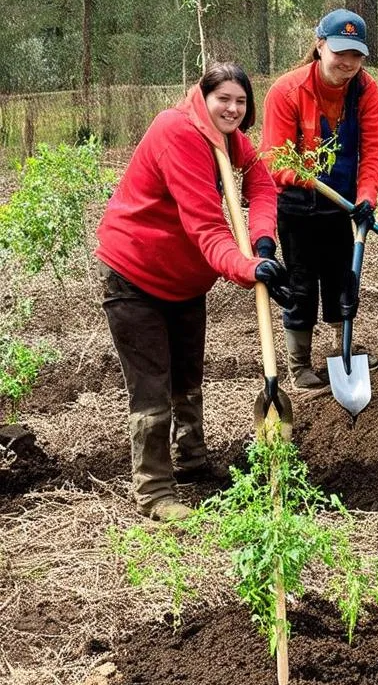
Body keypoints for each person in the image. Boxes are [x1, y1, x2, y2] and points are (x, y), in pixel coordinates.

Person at [97, 63, 291, 522]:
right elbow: (206, 229)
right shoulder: (178, 133)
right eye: (223, 98)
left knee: (188, 378)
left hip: (184, 281)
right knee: (152, 388)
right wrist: (249, 269)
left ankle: (193, 461)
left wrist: (263, 240)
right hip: (136, 275)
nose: (233, 108)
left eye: (241, 101)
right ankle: (154, 491)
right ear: (203, 96)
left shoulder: (229, 137)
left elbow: (261, 182)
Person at [261, 9, 378, 389]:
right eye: (339, 52)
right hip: (297, 205)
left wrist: (366, 197)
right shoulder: (287, 90)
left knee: (340, 278)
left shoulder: (366, 90)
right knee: (301, 283)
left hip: (342, 204)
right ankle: (299, 366)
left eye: (356, 55)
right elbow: (274, 160)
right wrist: (311, 181)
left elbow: (374, 150)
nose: (347, 63)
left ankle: (341, 349)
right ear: (320, 46)